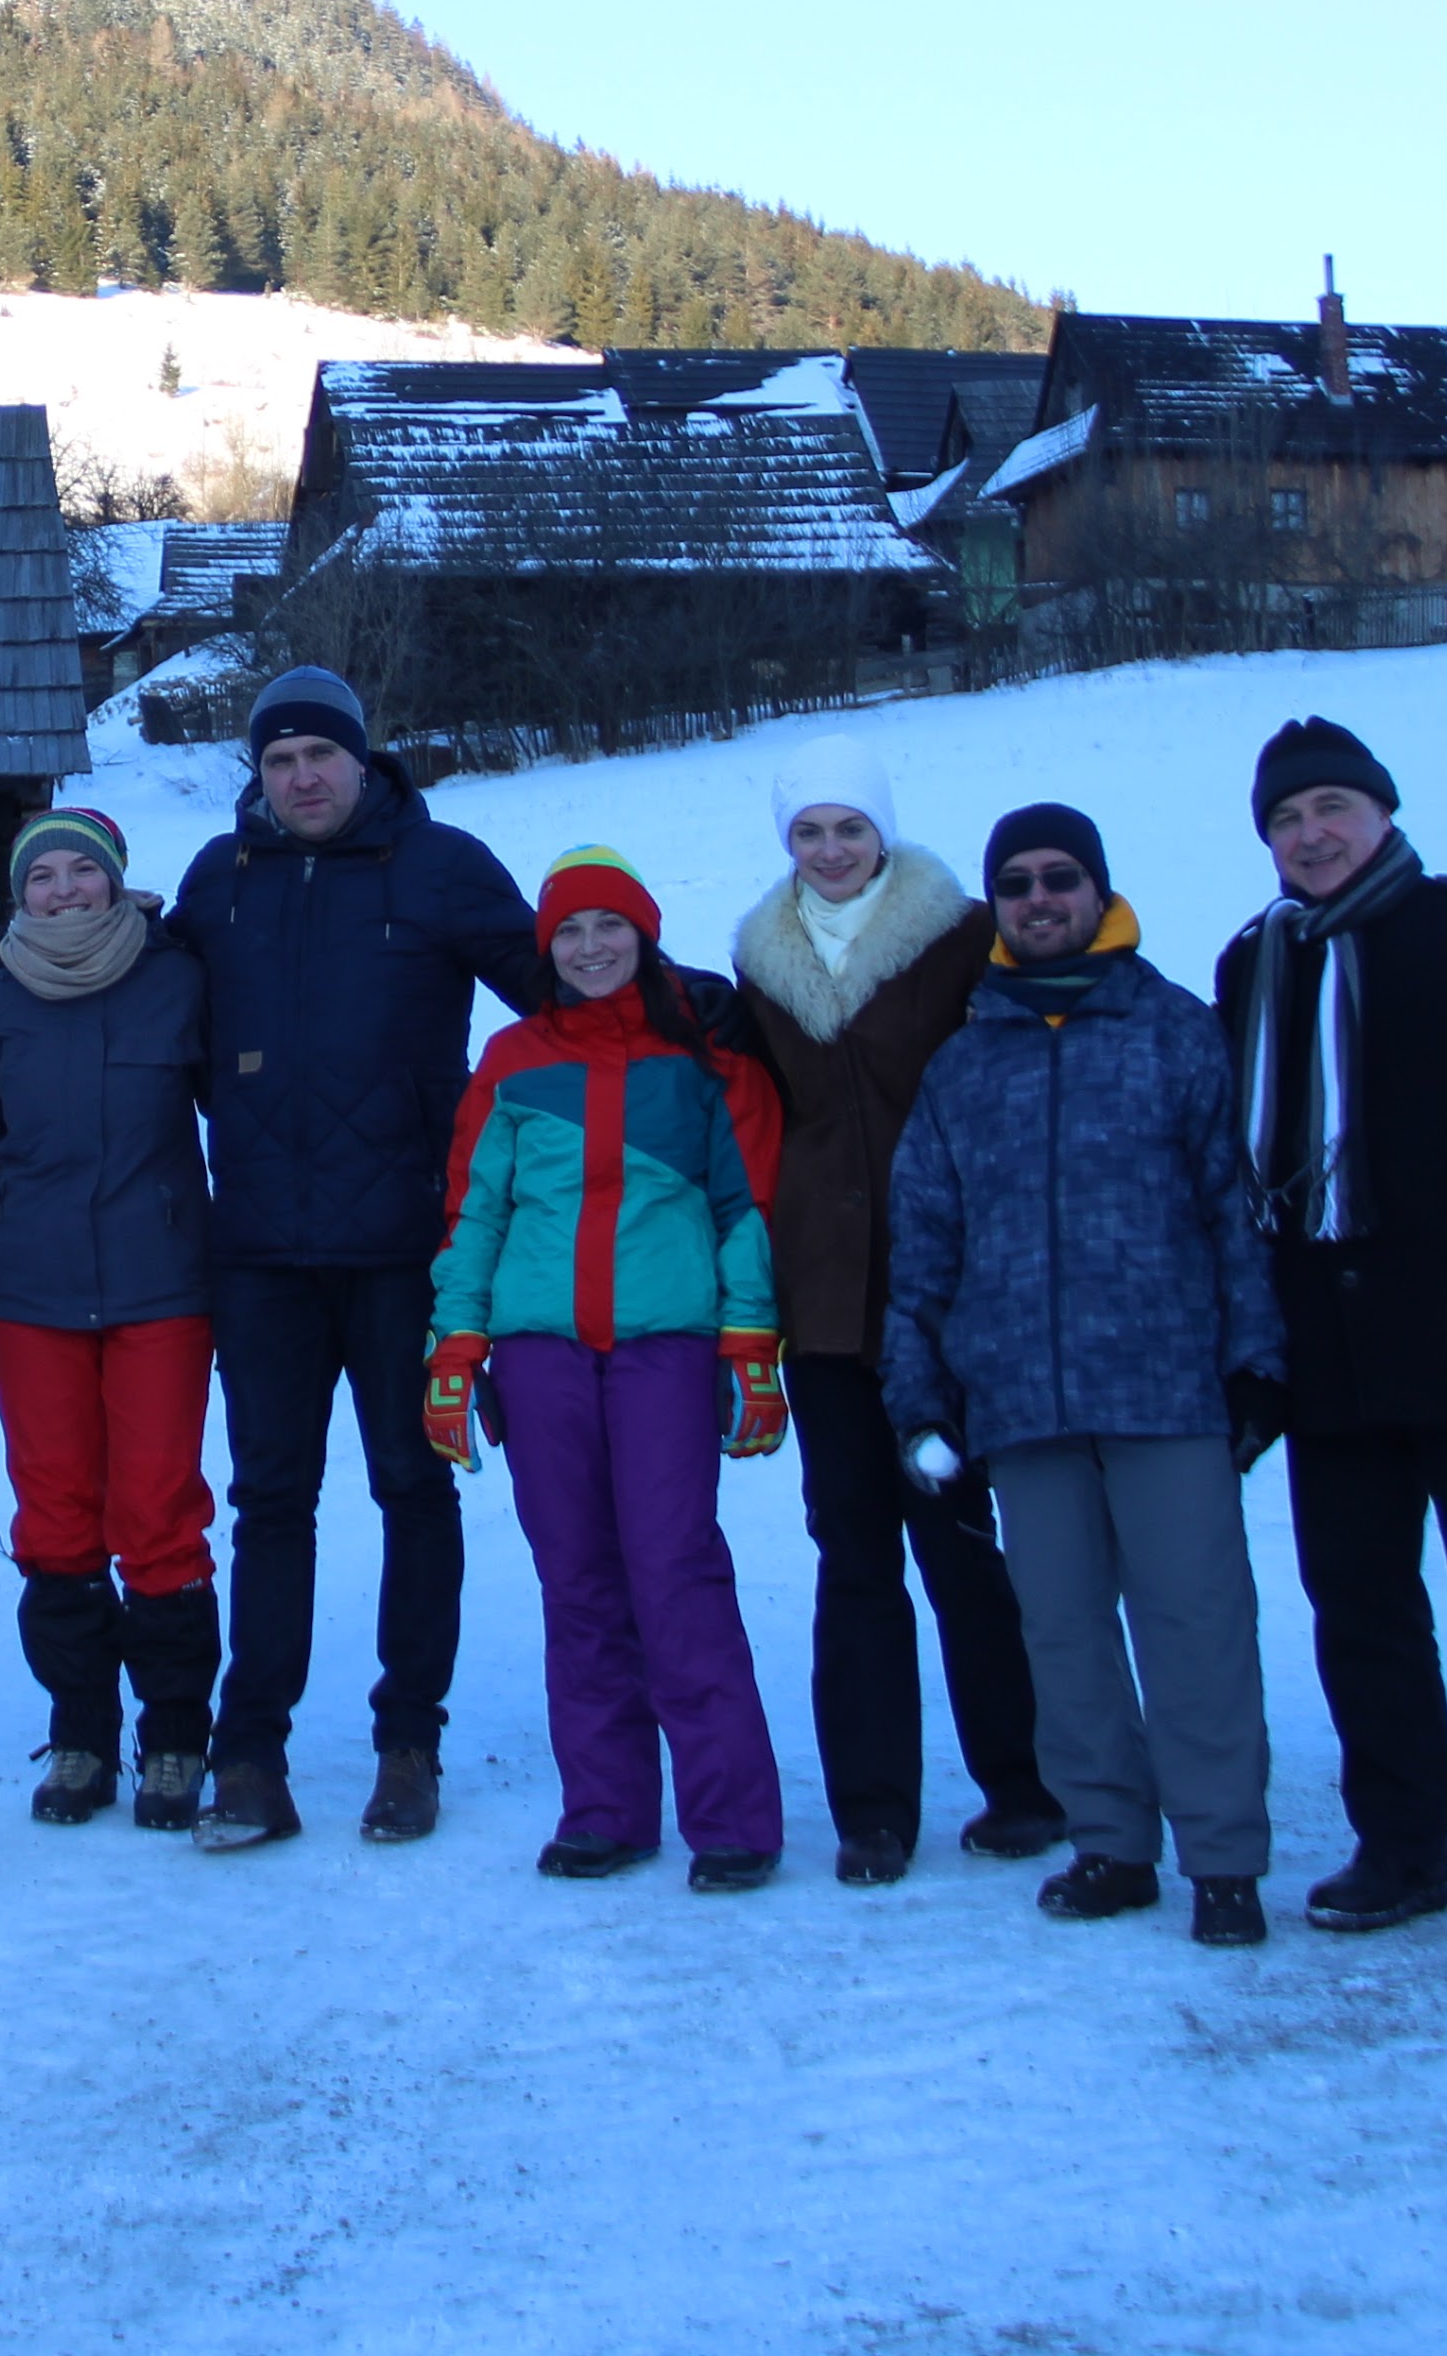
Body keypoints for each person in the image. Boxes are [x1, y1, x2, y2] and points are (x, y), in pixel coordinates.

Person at [1216, 718, 1447, 1954]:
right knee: (1360, 1610)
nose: (1309, 834)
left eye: (1330, 806)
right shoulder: (1254, 961)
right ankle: (1401, 1848)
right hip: (1327, 1349)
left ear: (1380, 812)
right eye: (1285, 817)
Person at [883, 802, 1289, 1948]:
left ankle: (1222, 1857)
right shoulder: (963, 1062)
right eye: (1015, 883)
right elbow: (922, 1247)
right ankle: (1109, 1840)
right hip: (1020, 1399)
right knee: (1059, 1632)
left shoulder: (1173, 1031)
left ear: (1098, 890)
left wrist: (1256, 1360)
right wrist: (917, 1397)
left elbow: (1233, 1211)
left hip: (1164, 1387)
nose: (1038, 899)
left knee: (1195, 1625)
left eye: (1059, 877)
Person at [168, 665, 549, 1850]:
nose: (300, 778)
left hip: (403, 1250)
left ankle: (407, 1746)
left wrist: (686, 1007)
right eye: (277, 761)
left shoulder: (438, 867)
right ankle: (248, 1759)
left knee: (412, 1489)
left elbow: (561, 996)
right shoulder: (218, 881)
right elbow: (146, 1017)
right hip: (260, 1255)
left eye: (318, 756)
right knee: (268, 1503)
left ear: (359, 757)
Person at [728, 730, 1064, 1887]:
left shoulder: (960, 936)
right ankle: (871, 1809)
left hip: (939, 1291)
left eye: (849, 827)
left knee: (961, 1545)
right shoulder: (759, 963)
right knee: (852, 1552)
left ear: (882, 830)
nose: (829, 849)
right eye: (808, 830)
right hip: (823, 1302)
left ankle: (1024, 1782)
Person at [422, 846, 795, 1887]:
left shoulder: (706, 1057)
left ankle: (732, 1818)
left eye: (609, 926)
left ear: (644, 935)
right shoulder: (511, 1059)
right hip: (538, 1355)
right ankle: (606, 1807)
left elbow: (747, 1206)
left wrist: (750, 1343)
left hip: (663, 1348)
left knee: (675, 1571)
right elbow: (473, 1211)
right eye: (570, 932)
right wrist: (454, 1347)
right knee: (577, 1580)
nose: (590, 947)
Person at [0, 807, 221, 1829]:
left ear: (116, 879)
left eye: (82, 870)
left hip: (161, 1283)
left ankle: (173, 1736)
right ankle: (79, 1732)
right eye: (42, 876)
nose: (63, 889)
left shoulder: (178, 980)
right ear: (18, 894)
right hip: (31, 1293)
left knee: (157, 1510)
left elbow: (240, 1113)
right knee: (56, 1515)